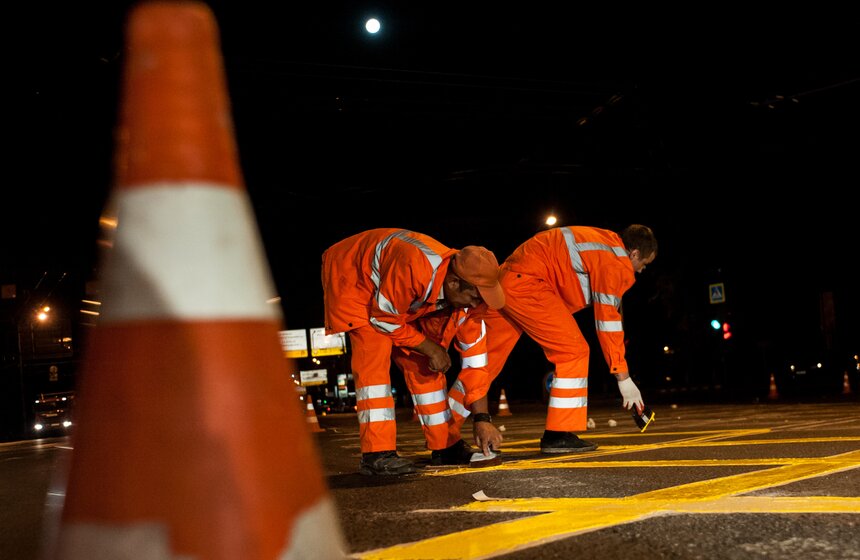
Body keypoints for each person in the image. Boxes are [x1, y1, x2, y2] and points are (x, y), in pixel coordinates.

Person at [454, 224, 657, 454]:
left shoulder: (602, 242)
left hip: (508, 281)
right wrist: (623, 377)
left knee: (481, 364)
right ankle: (558, 434)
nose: (641, 270)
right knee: (573, 351)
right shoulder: (616, 261)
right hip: (530, 285)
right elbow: (608, 320)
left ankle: (445, 437)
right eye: (644, 264)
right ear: (634, 254)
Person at [321, 228, 505, 475]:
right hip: (355, 278)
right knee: (373, 353)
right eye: (475, 296)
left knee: (425, 365)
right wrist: (430, 347)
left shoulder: (468, 306)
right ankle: (376, 454)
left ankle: (445, 446)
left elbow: (476, 365)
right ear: (453, 283)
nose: (476, 304)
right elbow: (383, 318)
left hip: (396, 294)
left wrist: (482, 419)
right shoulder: (414, 267)